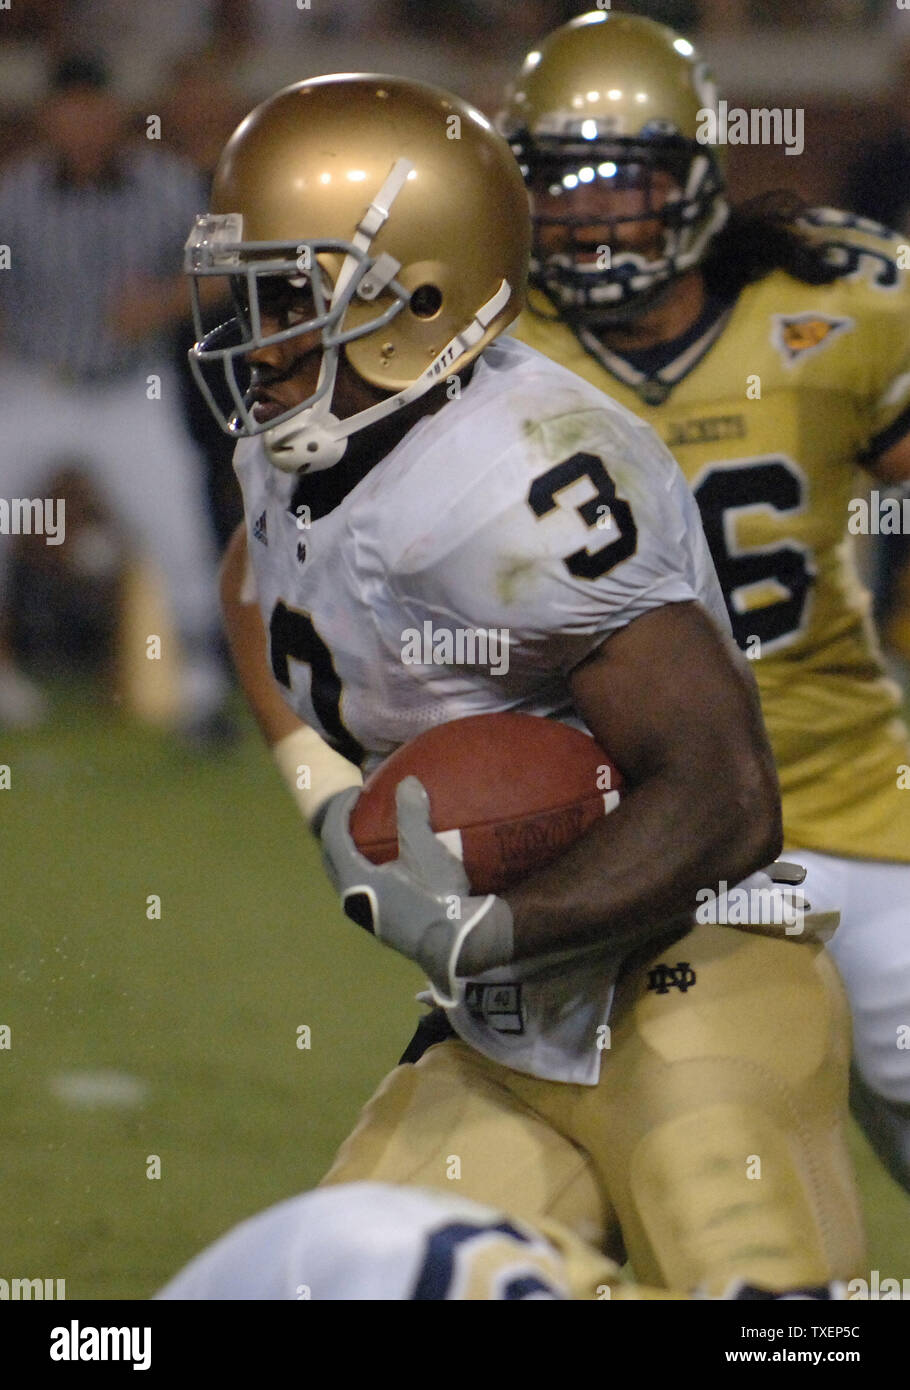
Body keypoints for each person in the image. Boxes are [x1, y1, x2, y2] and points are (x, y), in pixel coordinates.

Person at [192, 72, 864, 1295]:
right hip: (505, 1032)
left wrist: (487, 924)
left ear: (421, 292)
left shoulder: (525, 479)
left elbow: (724, 793)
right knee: (343, 1282)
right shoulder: (300, 435)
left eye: (291, 293)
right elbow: (257, 584)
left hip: (692, 982)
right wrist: (320, 794)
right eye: (249, 290)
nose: (257, 331)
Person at [502, 10, 910, 1190]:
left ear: (695, 178)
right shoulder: (492, 347)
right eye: (558, 185)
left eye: (619, 181)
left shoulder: (843, 301)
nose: (587, 216)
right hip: (640, 834)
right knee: (689, 1173)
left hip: (855, 802)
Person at [0, 53, 228, 739]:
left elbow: (220, 266)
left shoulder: (165, 185)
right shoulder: (17, 193)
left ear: (113, 114)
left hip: (131, 387)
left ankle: (202, 683)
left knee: (179, 526)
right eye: (67, 112)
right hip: (36, 383)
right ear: (49, 119)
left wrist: (161, 301)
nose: (82, 127)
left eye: (93, 110)